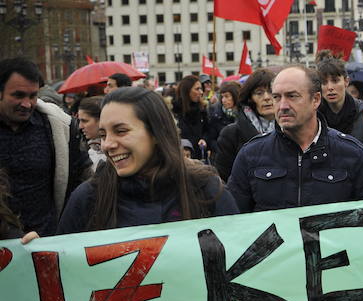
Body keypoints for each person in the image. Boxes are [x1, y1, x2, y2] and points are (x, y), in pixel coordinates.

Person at [57, 87, 237, 234]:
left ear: (156, 133)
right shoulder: (88, 198)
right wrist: (37, 253)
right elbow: (63, 267)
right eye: (103, 135)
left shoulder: (206, 189)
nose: (107, 145)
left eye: (121, 131)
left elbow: (241, 257)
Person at [227, 66, 363, 212]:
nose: (282, 106)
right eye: (277, 97)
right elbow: (235, 223)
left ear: (316, 100)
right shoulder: (250, 155)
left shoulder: (352, 154)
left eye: (292, 96)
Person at [0, 57, 90, 236]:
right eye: (18, 95)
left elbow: (84, 178)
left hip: (49, 244)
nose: (27, 104)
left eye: (33, 96)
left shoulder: (58, 128)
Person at [315, 51, 363, 185]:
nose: (330, 87)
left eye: (335, 80)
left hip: (358, 195)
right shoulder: (312, 117)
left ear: (346, 81)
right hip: (322, 196)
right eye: (324, 82)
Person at [214, 70, 276, 182]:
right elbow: (224, 178)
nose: (267, 97)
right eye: (259, 93)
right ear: (250, 99)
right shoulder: (231, 134)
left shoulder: (292, 129)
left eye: (271, 91)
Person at [172, 75, 214, 160]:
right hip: (180, 159)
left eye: (201, 89)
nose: (201, 92)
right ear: (187, 91)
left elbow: (208, 130)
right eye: (197, 89)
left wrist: (204, 139)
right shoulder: (173, 111)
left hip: (199, 158)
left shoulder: (202, 109)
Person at [76, 96, 105, 171]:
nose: (80, 126)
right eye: (79, 121)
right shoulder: (91, 150)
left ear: (101, 120)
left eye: (85, 121)